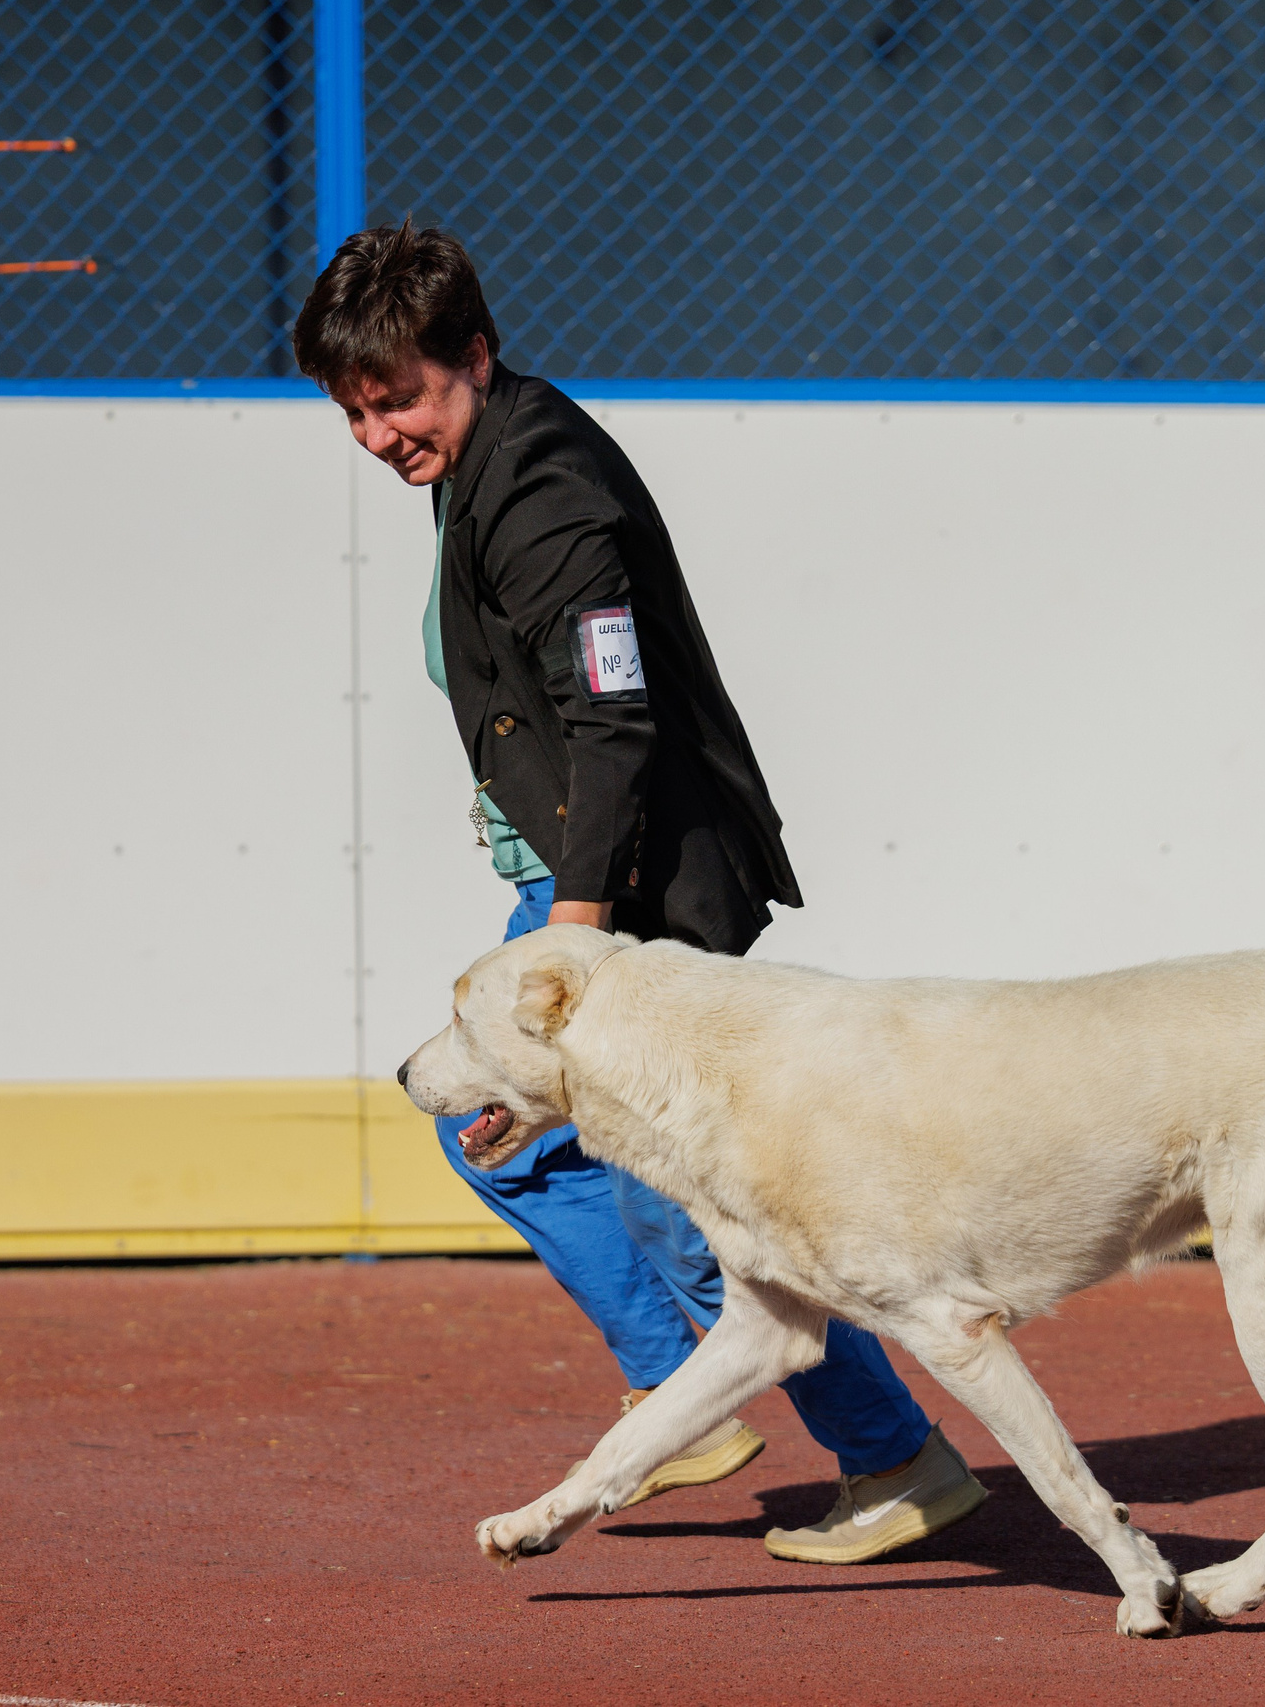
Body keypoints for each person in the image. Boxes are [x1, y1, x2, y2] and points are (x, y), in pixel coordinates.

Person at [291, 222, 983, 1564]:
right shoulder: (479, 451)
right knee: (493, 1134)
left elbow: (618, 724)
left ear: (474, 360)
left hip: (633, 893)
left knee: (683, 1199)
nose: (379, 433)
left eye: (401, 401)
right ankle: (694, 1396)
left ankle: (895, 1460)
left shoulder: (543, 490)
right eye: (355, 411)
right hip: (578, 877)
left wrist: (573, 950)